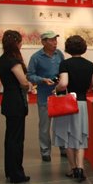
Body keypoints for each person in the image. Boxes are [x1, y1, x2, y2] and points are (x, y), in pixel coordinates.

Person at [53, 35, 93, 182]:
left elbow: (64, 83)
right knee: (80, 136)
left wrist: (56, 89)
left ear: (68, 48)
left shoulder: (65, 64)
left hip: (68, 103)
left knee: (68, 136)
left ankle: (73, 169)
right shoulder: (90, 65)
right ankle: (81, 168)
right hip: (82, 103)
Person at [0, 30, 31, 184]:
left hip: (8, 99)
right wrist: (29, 84)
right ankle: (17, 174)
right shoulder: (13, 60)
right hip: (16, 101)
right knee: (16, 140)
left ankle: (10, 171)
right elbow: (23, 82)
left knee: (10, 138)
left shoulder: (3, 58)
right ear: (16, 43)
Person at [27, 30, 66, 162]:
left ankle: (63, 148)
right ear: (43, 42)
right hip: (44, 96)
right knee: (44, 126)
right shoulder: (36, 57)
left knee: (61, 124)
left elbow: (64, 70)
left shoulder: (59, 54)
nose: (55, 42)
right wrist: (42, 80)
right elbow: (30, 75)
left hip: (59, 94)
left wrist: (61, 78)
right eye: (51, 40)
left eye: (55, 39)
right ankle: (45, 151)